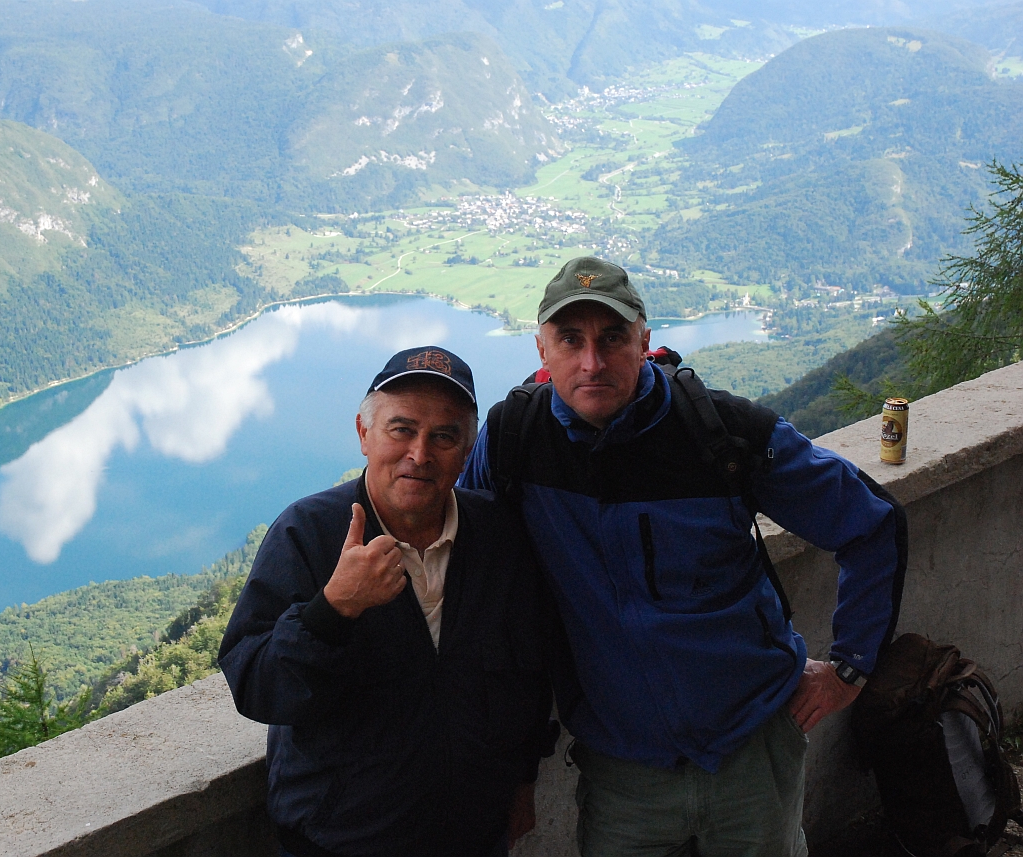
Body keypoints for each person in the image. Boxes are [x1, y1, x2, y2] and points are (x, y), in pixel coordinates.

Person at [459, 257, 907, 857]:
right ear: (542, 348)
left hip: (752, 748)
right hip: (623, 768)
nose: (591, 362)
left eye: (611, 338)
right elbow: (460, 558)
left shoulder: (720, 431)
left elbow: (871, 523)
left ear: (643, 341)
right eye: (570, 340)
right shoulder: (515, 439)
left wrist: (851, 668)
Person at [219, 346, 555, 857]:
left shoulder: (497, 535)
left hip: (474, 836)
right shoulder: (308, 533)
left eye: (444, 436)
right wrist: (333, 609)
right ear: (364, 434)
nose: (420, 454)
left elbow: (527, 676)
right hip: (341, 842)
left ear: (467, 452)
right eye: (402, 429)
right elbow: (256, 687)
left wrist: (522, 782)